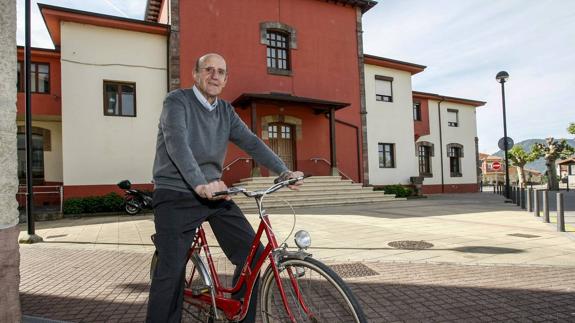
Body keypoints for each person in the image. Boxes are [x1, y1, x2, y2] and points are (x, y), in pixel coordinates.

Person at [146, 53, 303, 322]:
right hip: (175, 192)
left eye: (220, 71)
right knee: (170, 271)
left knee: (253, 255)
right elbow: (177, 144)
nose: (214, 75)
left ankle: (240, 316)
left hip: (214, 194)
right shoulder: (177, 102)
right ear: (196, 75)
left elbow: (251, 142)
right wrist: (199, 182)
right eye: (208, 69)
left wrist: (282, 170)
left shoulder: (225, 111)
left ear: (226, 79)